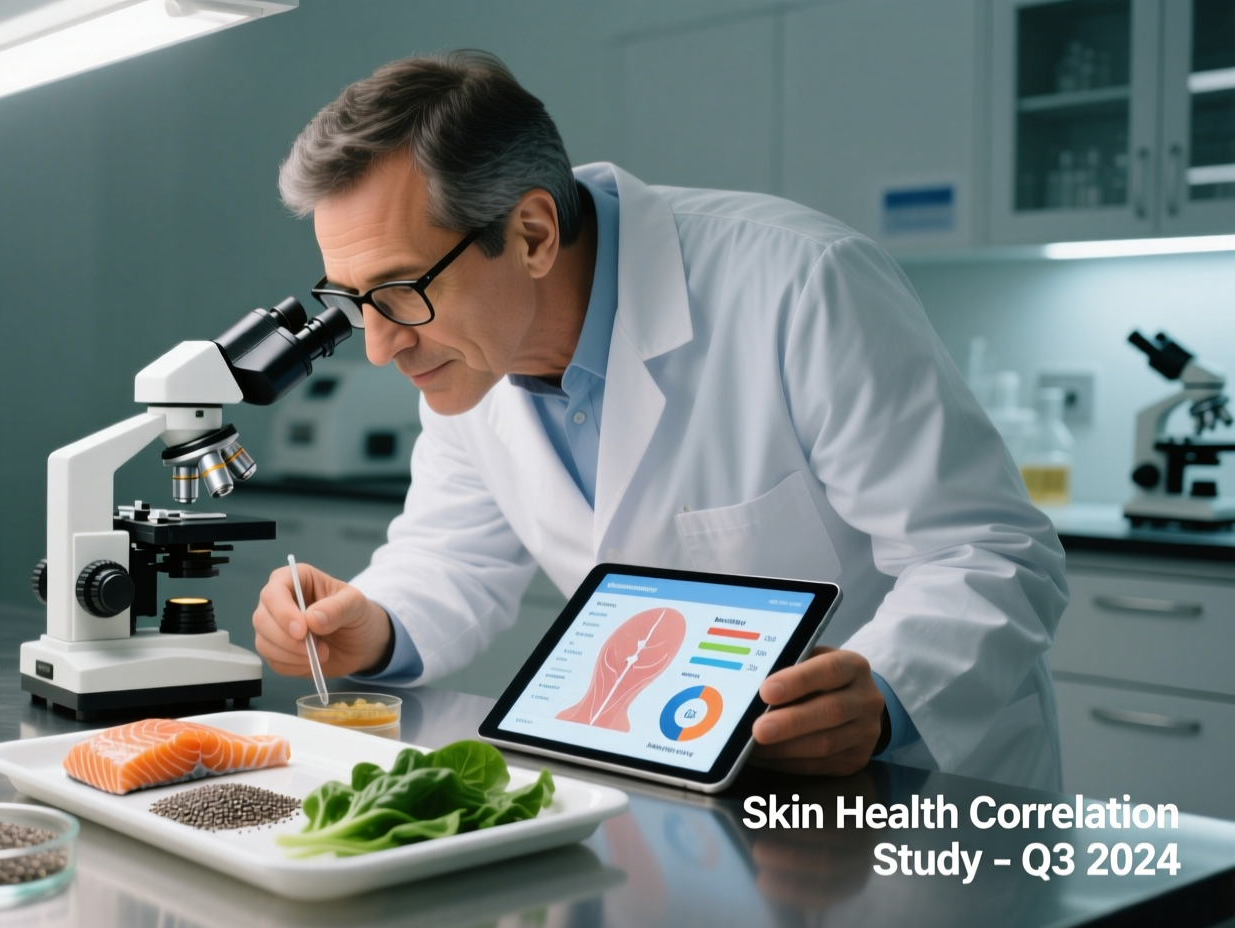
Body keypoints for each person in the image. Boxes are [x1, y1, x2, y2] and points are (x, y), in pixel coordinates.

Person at [252, 51, 1067, 789]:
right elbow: (450, 556)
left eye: (400, 292)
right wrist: (372, 626)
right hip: (678, 792)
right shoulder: (470, 357)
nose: (381, 345)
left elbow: (988, 551)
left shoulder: (800, 285)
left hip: (909, 790)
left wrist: (887, 690)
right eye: (355, 303)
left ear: (531, 233)